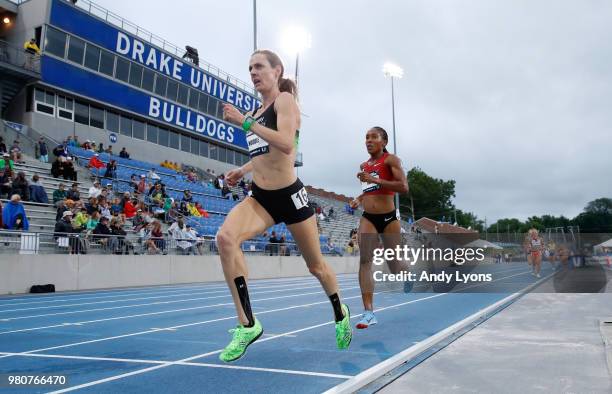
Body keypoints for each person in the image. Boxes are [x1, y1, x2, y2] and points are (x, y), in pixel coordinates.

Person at [216, 49, 351, 362]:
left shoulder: (284, 102)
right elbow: (265, 152)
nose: (253, 72)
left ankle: (340, 312)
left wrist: (245, 122)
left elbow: (288, 144)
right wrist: (243, 169)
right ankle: (247, 324)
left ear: (277, 71)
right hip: (261, 197)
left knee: (316, 266)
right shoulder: (257, 110)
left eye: (259, 66)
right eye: (250, 67)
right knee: (225, 239)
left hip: (290, 197)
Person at [349, 126, 409, 329]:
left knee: (394, 267)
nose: (368, 140)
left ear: (384, 141)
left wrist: (375, 179)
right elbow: (370, 190)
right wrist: (359, 198)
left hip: (389, 218)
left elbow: (403, 187)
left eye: (373, 137)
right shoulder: (364, 165)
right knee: (365, 261)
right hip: (368, 218)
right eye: (366, 137)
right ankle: (368, 313)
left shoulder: (392, 160)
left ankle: (408, 273)